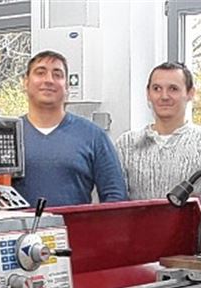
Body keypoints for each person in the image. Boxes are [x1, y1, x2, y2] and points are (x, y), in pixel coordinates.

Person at [116, 62, 201, 217]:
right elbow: (117, 207)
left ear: (190, 93)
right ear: (148, 94)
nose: (164, 96)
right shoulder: (126, 144)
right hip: (141, 240)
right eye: (157, 89)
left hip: (196, 241)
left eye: (173, 89)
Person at [12, 50, 127, 206]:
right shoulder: (8, 134)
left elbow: (115, 196)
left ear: (67, 87)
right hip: (17, 230)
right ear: (25, 82)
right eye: (40, 73)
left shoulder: (93, 136)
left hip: (76, 230)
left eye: (57, 75)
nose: (49, 80)